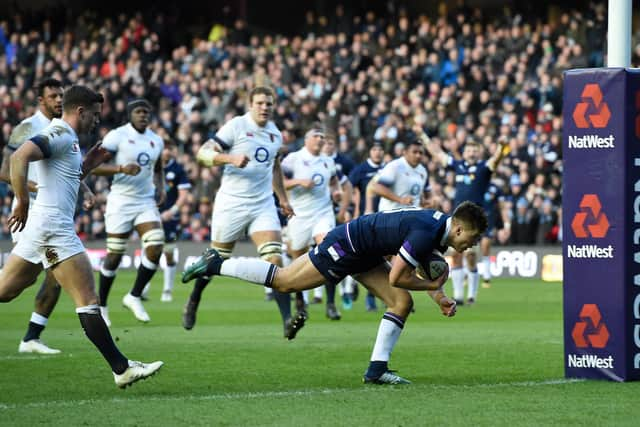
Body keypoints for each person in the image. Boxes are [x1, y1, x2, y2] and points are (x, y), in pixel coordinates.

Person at [183, 201, 487, 384]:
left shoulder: (435, 227)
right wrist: (433, 286)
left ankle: (376, 370)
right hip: (346, 246)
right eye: (472, 239)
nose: (471, 246)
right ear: (459, 229)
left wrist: (439, 297)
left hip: (365, 250)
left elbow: (418, 270)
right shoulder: (426, 233)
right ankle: (216, 264)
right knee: (285, 282)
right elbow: (397, 276)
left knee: (401, 304)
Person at [0, 85, 163, 387]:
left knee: (5, 291)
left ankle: (121, 367)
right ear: (80, 111)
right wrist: (22, 200)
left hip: (43, 227)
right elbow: (20, 157)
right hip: (53, 228)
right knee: (88, 299)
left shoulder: (69, 140)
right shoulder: (59, 133)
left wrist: (89, 165)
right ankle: (121, 367)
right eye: (95, 115)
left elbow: (63, 177)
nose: (97, 121)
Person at [183, 86, 299, 339]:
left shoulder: (275, 134)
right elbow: (202, 154)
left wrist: (283, 198)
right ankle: (193, 299)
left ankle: (287, 319)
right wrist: (229, 159)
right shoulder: (236, 126)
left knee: (275, 260)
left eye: (269, 103)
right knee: (214, 259)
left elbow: (275, 166)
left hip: (262, 205)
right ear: (250, 104)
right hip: (232, 204)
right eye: (260, 103)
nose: (265, 107)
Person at [92, 99, 165, 326]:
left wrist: (160, 186)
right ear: (130, 114)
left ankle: (133, 296)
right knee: (114, 255)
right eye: (138, 112)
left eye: (146, 112)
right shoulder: (117, 136)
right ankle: (102, 305)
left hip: (144, 201)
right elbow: (93, 166)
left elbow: (159, 166)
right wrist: (121, 168)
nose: (143, 115)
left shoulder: (156, 140)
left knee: (156, 246)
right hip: (121, 201)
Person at [418, 128, 508, 305]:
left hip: (474, 220)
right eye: (468, 150)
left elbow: (495, 160)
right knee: (457, 256)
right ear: (464, 152)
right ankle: (459, 295)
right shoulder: (458, 166)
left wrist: (501, 147)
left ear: (479, 153)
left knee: (471, 257)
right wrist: (423, 137)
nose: (471, 153)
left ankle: (472, 295)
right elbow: (438, 154)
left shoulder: (483, 168)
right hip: (456, 219)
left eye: (475, 150)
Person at [281, 126, 348, 320]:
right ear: (307, 140)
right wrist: (299, 182)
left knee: (330, 251)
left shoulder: (328, 161)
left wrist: (337, 192)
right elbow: (278, 182)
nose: (320, 140)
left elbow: (335, 182)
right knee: (298, 259)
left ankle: (331, 304)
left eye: (322, 137)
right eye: (317, 136)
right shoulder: (293, 158)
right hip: (299, 215)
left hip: (322, 213)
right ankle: (301, 301)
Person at [347, 141, 386, 311]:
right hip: (367, 219)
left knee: (387, 258)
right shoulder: (361, 169)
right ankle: (369, 296)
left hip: (386, 218)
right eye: (375, 149)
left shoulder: (389, 169)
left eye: (380, 149)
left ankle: (385, 295)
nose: (377, 152)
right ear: (370, 152)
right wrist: (354, 212)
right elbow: (351, 189)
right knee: (372, 258)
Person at [157, 139, 191, 302]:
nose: (166, 151)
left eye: (169, 148)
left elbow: (183, 195)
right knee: (149, 248)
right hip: (151, 214)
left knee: (168, 253)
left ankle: (167, 290)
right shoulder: (151, 165)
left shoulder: (177, 169)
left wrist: (172, 211)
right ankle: (142, 290)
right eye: (164, 148)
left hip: (170, 216)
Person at [368, 139, 430, 213]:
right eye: (414, 152)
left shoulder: (423, 170)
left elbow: (419, 193)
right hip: (390, 215)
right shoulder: (395, 166)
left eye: (421, 153)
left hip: (411, 216)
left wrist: (425, 202)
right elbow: (378, 187)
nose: (418, 155)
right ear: (405, 152)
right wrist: (400, 199)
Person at [480, 179, 505, 288]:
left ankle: (486, 277)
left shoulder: (496, 188)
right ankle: (467, 274)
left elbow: (502, 207)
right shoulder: (476, 184)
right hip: (474, 219)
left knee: (485, 247)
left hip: (489, 221)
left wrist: (504, 225)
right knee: (468, 249)